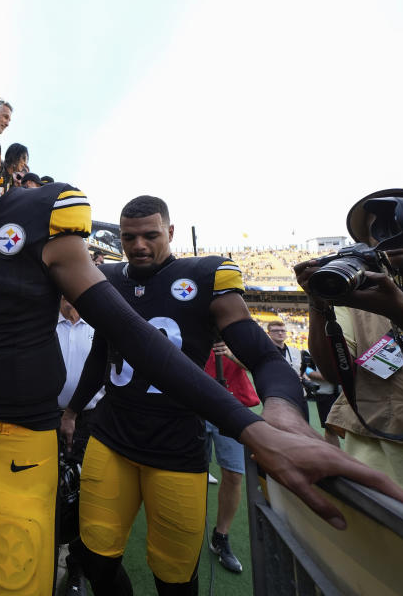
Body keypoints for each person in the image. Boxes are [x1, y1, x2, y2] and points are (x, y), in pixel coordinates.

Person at [0, 114, 403, 595]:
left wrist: (252, 427)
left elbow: (132, 334)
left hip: (25, 442)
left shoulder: (43, 217)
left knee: (16, 582)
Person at [60, 195, 369, 595]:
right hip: (112, 437)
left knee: (173, 574)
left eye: (150, 235)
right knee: (97, 559)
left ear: (170, 232)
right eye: (128, 237)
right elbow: (102, 351)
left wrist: (283, 406)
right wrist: (71, 409)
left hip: (175, 446)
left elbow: (261, 353)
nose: (138, 246)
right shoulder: (110, 278)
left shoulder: (205, 275)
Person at [295, 186, 403, 538]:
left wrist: (397, 308)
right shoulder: (357, 288)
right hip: (372, 461)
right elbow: (332, 372)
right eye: (377, 229)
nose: (389, 235)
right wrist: (318, 303)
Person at [56, 297, 103, 596]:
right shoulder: (44, 323)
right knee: (45, 487)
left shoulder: (100, 325)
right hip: (46, 415)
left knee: (82, 493)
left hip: (90, 419)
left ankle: (76, 566)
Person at [203, 342, 259, 574]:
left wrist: (232, 354)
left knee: (235, 474)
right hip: (195, 402)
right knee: (190, 470)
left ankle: (221, 535)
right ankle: (189, 528)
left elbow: (259, 363)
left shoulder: (235, 328)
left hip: (232, 406)